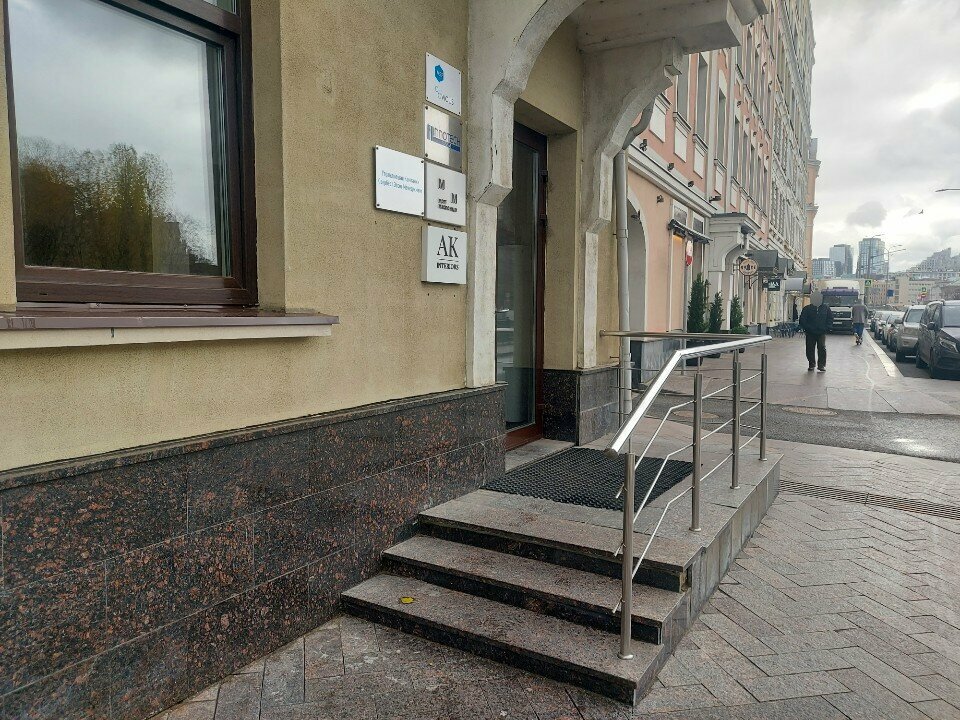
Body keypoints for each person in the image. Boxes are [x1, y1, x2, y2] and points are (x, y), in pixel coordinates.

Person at [798, 291, 833, 372]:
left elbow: (830, 319)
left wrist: (827, 328)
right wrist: (807, 328)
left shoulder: (826, 308)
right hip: (810, 332)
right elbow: (802, 320)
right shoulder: (807, 309)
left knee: (822, 348)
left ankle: (821, 365)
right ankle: (811, 364)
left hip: (821, 332)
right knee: (810, 348)